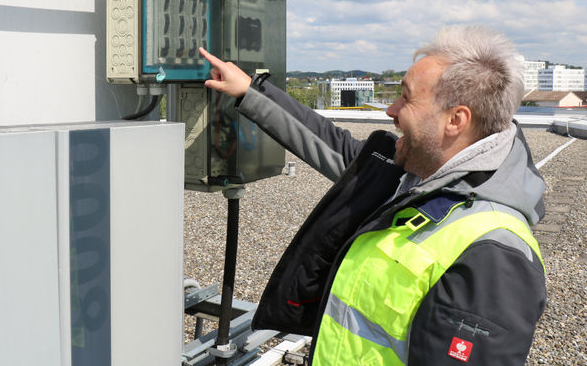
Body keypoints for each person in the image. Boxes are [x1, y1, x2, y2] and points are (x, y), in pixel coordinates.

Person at [198, 26, 546, 365]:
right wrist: (250, 92)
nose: (390, 110)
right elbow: (329, 143)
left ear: (455, 120)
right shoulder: (411, 174)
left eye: (406, 97)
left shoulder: (494, 252)